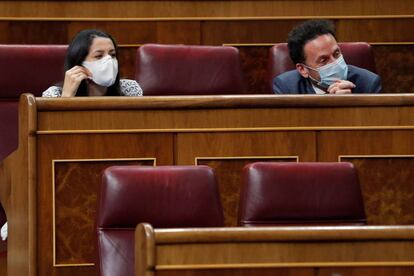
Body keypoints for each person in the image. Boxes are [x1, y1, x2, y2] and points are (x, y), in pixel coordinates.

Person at [273, 20, 381, 94]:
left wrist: (349, 105)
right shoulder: (287, 87)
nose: (335, 63)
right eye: (323, 60)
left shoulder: (368, 83)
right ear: (303, 69)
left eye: (336, 54)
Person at [42, 29, 143, 97]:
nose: (109, 61)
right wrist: (67, 97)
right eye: (99, 56)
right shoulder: (54, 94)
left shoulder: (130, 90)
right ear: (80, 63)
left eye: (112, 55)